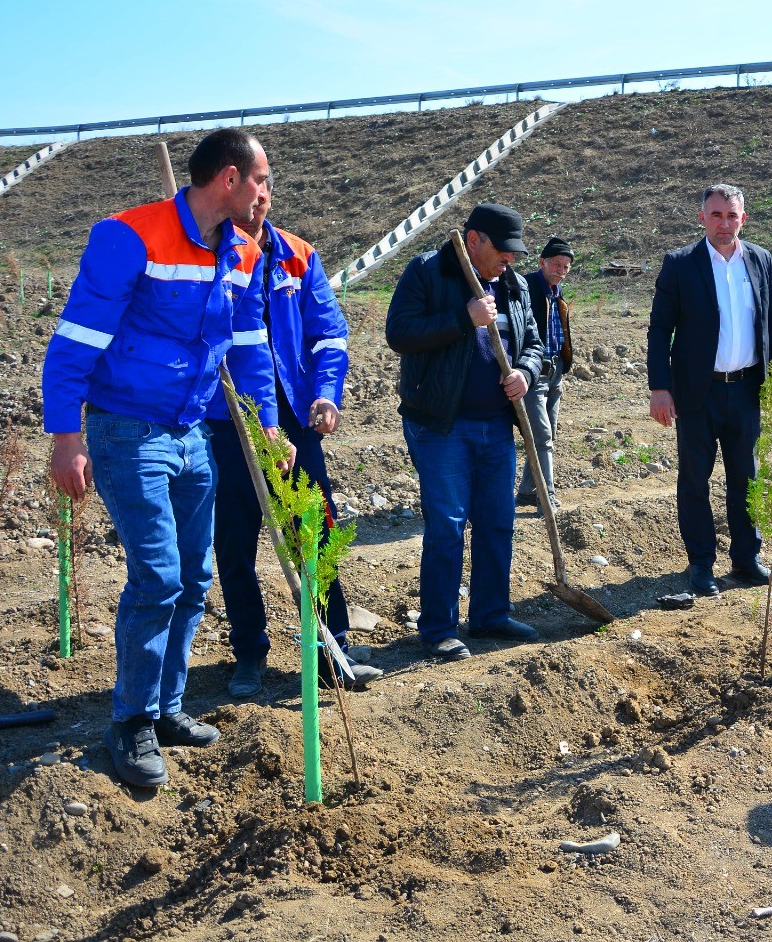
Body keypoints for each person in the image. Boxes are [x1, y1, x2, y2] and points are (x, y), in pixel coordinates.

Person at [43, 128, 283, 788]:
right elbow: (74, 343)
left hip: (191, 434)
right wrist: (68, 440)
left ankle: (166, 706)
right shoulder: (130, 237)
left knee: (195, 576)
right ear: (229, 179)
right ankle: (130, 722)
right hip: (127, 431)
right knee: (157, 577)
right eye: (261, 180)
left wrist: (268, 426)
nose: (267, 193)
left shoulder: (239, 252)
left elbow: (247, 349)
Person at [205, 190, 382, 698]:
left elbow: (329, 333)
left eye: (264, 192)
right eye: (248, 193)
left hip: (294, 416)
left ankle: (332, 649)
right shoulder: (213, 256)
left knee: (314, 533)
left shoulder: (298, 256)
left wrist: (326, 394)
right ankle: (249, 653)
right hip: (229, 418)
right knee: (235, 540)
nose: (257, 204)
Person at [386, 203, 544, 660]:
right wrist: (463, 318)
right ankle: (438, 628)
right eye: (502, 249)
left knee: (498, 521)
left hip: (497, 424)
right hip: (441, 424)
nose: (509, 259)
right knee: (449, 525)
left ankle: (491, 614)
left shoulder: (513, 284)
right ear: (473, 240)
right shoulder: (428, 272)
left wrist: (526, 373)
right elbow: (400, 333)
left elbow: (533, 343)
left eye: (514, 251)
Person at [647, 184, 772, 598]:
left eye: (732, 216)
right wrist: (660, 387)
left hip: (746, 389)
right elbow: (660, 328)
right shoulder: (680, 264)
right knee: (695, 479)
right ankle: (701, 566)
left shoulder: (759, 260)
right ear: (701, 217)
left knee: (746, 477)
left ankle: (746, 560)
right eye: (716, 215)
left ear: (743, 218)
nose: (724, 224)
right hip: (696, 392)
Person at [516, 236, 576, 512]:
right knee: (542, 437)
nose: (561, 271)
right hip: (533, 373)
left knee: (547, 433)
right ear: (542, 262)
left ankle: (529, 490)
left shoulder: (557, 291)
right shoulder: (526, 287)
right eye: (556, 264)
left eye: (565, 267)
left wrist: (564, 364)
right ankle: (545, 496)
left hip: (555, 372)